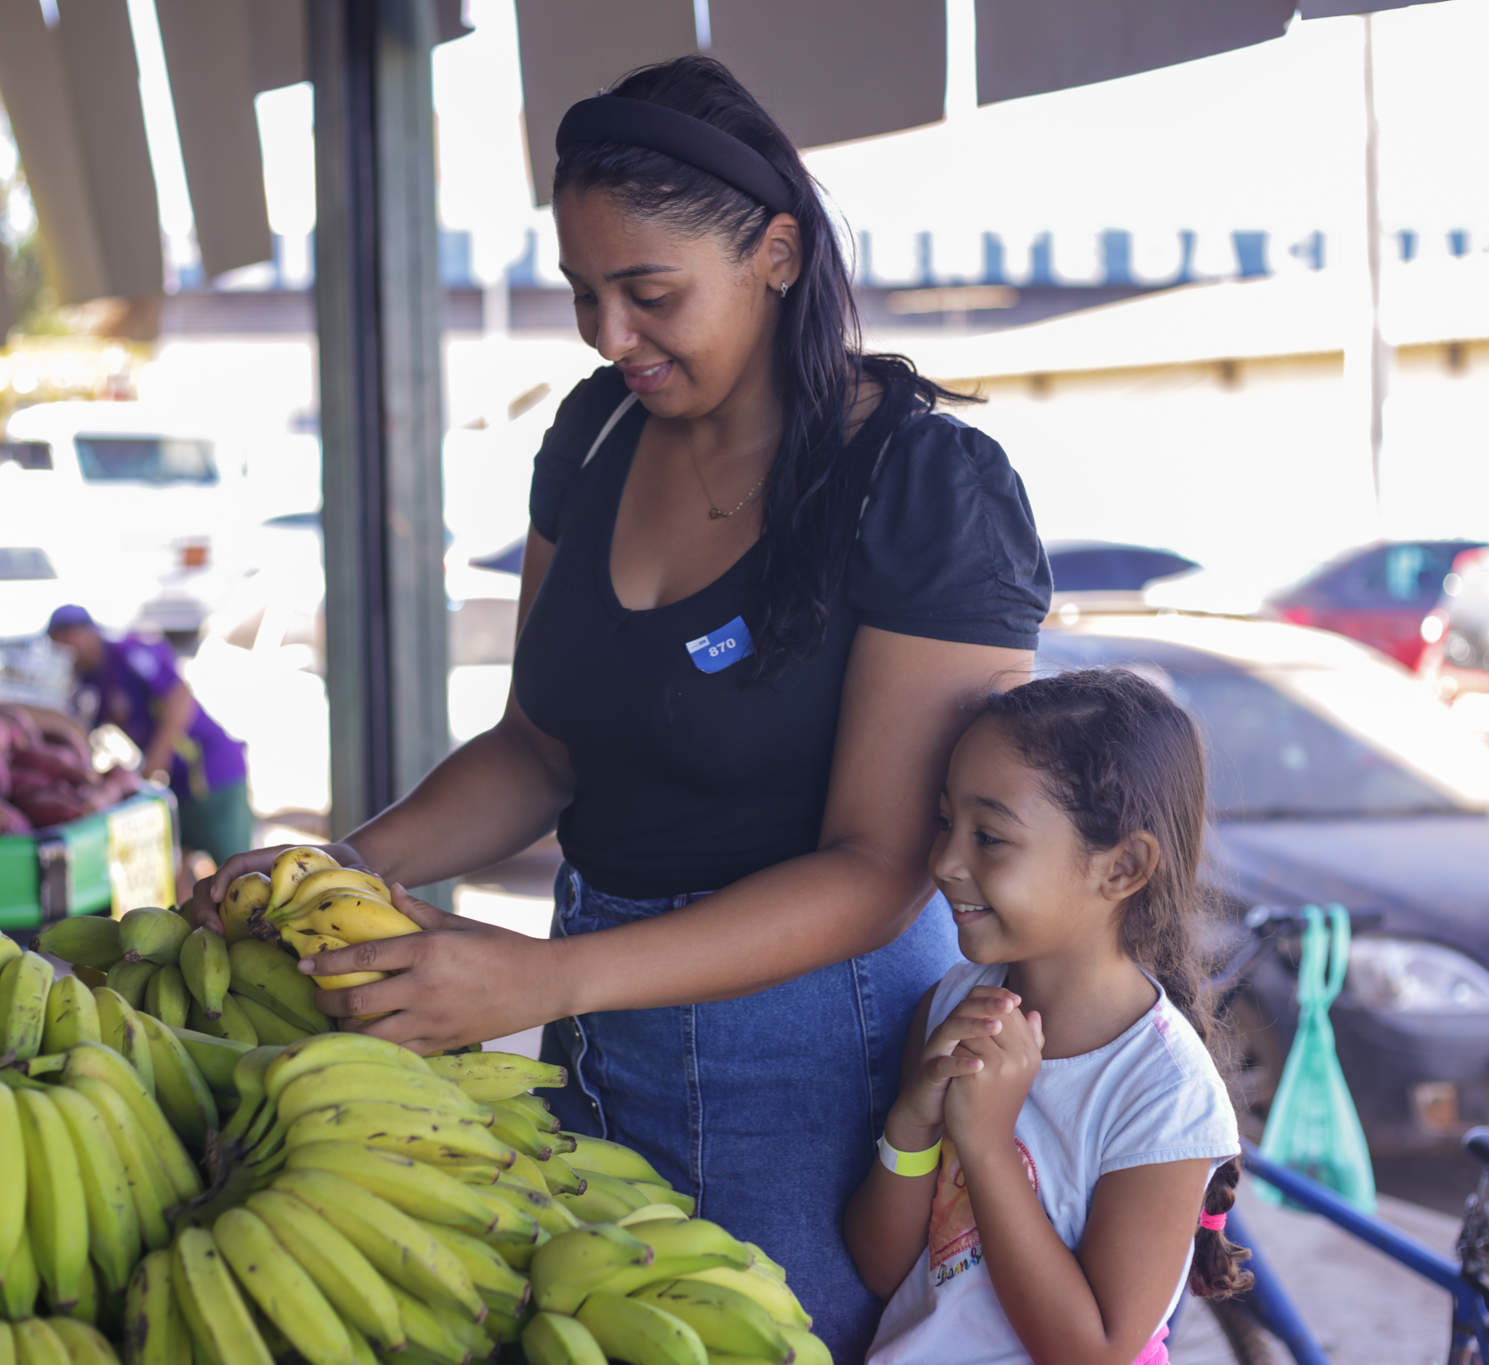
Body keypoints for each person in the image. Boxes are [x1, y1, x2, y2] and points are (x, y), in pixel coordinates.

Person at [186, 55, 1049, 1358]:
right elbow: (543, 746)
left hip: (819, 1061)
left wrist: (540, 975)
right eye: (586, 294)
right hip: (595, 1034)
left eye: (651, 294)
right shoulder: (593, 438)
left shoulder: (921, 486)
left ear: (776, 251)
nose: (609, 336)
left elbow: (883, 867)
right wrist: (340, 866)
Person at [843, 670, 1246, 1365]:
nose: (943, 860)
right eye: (946, 822)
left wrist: (989, 1145)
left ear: (1122, 867)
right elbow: (882, 1267)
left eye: (989, 837)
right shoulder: (951, 1005)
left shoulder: (1164, 1094)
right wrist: (911, 1124)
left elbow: (1090, 1351)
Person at [46, 604, 254, 865]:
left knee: (238, 869)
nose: (64, 650)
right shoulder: (91, 680)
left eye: (65, 639)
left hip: (209, 772)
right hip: (175, 785)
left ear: (85, 633)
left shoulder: (130, 653)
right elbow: (85, 731)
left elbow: (179, 698)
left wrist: (154, 764)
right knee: (176, 865)